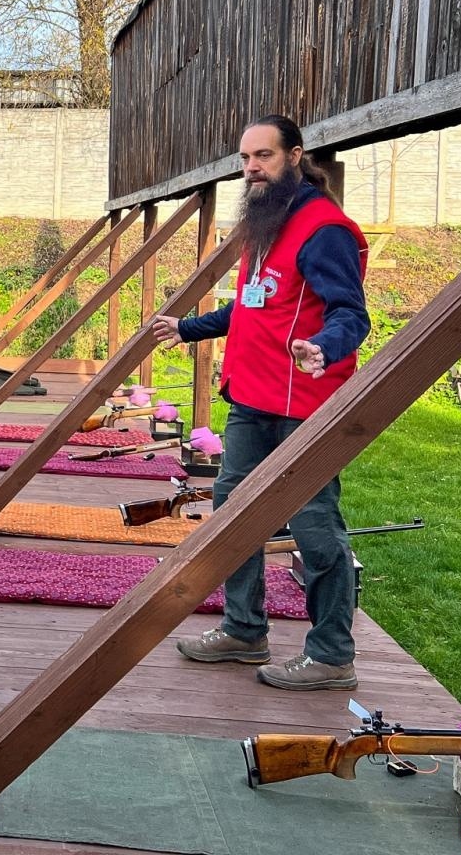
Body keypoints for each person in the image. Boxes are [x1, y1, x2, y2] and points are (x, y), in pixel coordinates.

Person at [152, 115, 370, 691]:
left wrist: (324, 347)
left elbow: (351, 314)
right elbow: (253, 307)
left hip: (303, 404)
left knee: (315, 526)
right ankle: (245, 630)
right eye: (246, 158)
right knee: (232, 512)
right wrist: (188, 328)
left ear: (295, 156)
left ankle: (332, 655)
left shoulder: (325, 230)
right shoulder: (266, 223)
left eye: (264, 156)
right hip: (251, 399)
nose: (251, 168)